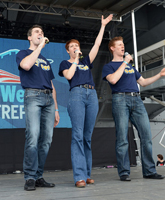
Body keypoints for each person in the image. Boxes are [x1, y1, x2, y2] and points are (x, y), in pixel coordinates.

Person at [102, 36, 165, 181]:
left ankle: (149, 171)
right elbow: (114, 79)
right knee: (122, 138)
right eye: (119, 45)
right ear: (112, 48)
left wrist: (160, 75)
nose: (123, 47)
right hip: (120, 99)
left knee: (146, 136)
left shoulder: (130, 67)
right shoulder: (109, 66)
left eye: (123, 45)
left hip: (136, 99)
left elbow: (144, 82)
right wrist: (125, 62)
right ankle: (124, 172)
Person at [59, 14, 113, 188]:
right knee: (77, 136)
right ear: (68, 50)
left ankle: (87, 174)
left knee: (87, 137)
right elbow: (69, 76)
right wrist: (74, 60)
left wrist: (103, 25)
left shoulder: (86, 61)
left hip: (91, 95)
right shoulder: (66, 63)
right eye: (72, 46)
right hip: (76, 94)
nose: (75, 47)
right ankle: (79, 176)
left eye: (77, 46)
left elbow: (97, 45)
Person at [16, 25, 60, 191]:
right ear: (29, 37)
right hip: (33, 96)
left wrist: (56, 108)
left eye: (41, 32)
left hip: (48, 98)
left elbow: (51, 84)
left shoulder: (45, 60)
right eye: (36, 32)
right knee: (33, 137)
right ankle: (29, 177)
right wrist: (40, 46)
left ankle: (38, 176)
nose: (40, 34)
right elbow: (26, 66)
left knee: (46, 140)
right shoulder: (23, 54)